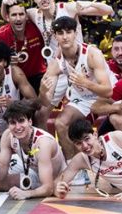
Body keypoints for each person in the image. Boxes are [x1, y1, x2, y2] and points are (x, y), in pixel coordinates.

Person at [39, 16, 116, 159]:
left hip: (108, 96)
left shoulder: (92, 54)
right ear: (55, 37)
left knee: (121, 118)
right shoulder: (56, 63)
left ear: (75, 33)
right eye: (60, 33)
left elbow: (108, 90)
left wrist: (85, 82)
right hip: (83, 98)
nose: (65, 37)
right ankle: (75, 167)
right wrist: (42, 92)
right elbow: (46, 101)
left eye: (68, 32)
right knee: (60, 123)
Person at [0, 101, 66, 200]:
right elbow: (1, 176)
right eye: (13, 123)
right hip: (33, 170)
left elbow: (48, 188)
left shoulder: (42, 143)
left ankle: (32, 185)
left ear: (30, 121)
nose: (18, 127)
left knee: (45, 187)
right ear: (8, 125)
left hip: (55, 177)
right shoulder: (7, 136)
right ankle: (31, 183)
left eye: (21, 121)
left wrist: (26, 193)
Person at [0, 0, 47, 95]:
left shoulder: (38, 28)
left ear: (26, 16)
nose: (18, 18)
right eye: (14, 15)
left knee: (40, 108)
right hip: (13, 78)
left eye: (21, 14)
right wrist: (6, 62)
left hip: (39, 76)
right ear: (7, 17)